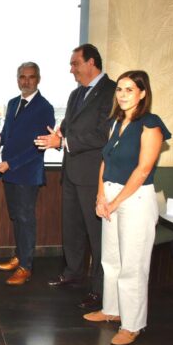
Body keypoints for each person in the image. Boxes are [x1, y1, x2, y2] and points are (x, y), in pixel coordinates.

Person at [84, 70, 171, 345]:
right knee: (111, 260)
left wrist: (115, 201)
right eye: (119, 89)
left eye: (129, 89)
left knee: (133, 266)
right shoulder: (115, 122)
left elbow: (143, 169)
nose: (122, 95)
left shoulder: (151, 124)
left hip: (135, 200)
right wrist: (101, 197)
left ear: (142, 93)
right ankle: (112, 310)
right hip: (110, 196)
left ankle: (132, 325)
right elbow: (105, 162)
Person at [35, 44, 116, 310]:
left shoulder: (112, 91)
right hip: (70, 173)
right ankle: (72, 273)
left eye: (75, 64)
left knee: (97, 236)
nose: (71, 70)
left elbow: (103, 134)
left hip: (94, 176)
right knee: (72, 229)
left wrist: (64, 142)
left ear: (91, 62)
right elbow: (68, 127)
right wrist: (58, 136)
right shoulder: (75, 94)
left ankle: (100, 290)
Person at [0, 62, 55, 285]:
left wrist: (10, 164)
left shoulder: (45, 107)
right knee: (16, 217)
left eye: (31, 77)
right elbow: (7, 134)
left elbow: (39, 147)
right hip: (9, 172)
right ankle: (19, 256)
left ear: (38, 79)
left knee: (26, 219)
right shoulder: (12, 103)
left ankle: (26, 267)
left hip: (27, 174)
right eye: (22, 77)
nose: (26, 81)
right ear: (17, 79)